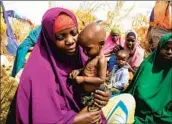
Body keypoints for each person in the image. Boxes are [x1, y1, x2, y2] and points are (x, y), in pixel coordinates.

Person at [16, 7, 136, 124]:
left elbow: (97, 82)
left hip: (88, 113)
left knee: (128, 100)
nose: (70, 41)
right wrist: (76, 120)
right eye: (60, 37)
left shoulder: (82, 55)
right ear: (50, 38)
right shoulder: (37, 72)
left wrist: (103, 96)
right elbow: (41, 117)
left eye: (74, 33)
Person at [125, 33, 172, 124]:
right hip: (139, 113)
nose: (169, 52)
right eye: (166, 48)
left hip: (164, 117)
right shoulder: (147, 66)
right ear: (159, 49)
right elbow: (134, 93)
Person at [69, 23, 107, 112]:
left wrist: (83, 79)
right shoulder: (91, 57)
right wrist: (78, 71)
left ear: (101, 44)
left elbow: (101, 79)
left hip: (94, 95)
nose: (85, 52)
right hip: (85, 94)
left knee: (92, 115)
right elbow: (88, 69)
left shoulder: (101, 60)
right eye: (83, 49)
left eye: (88, 49)